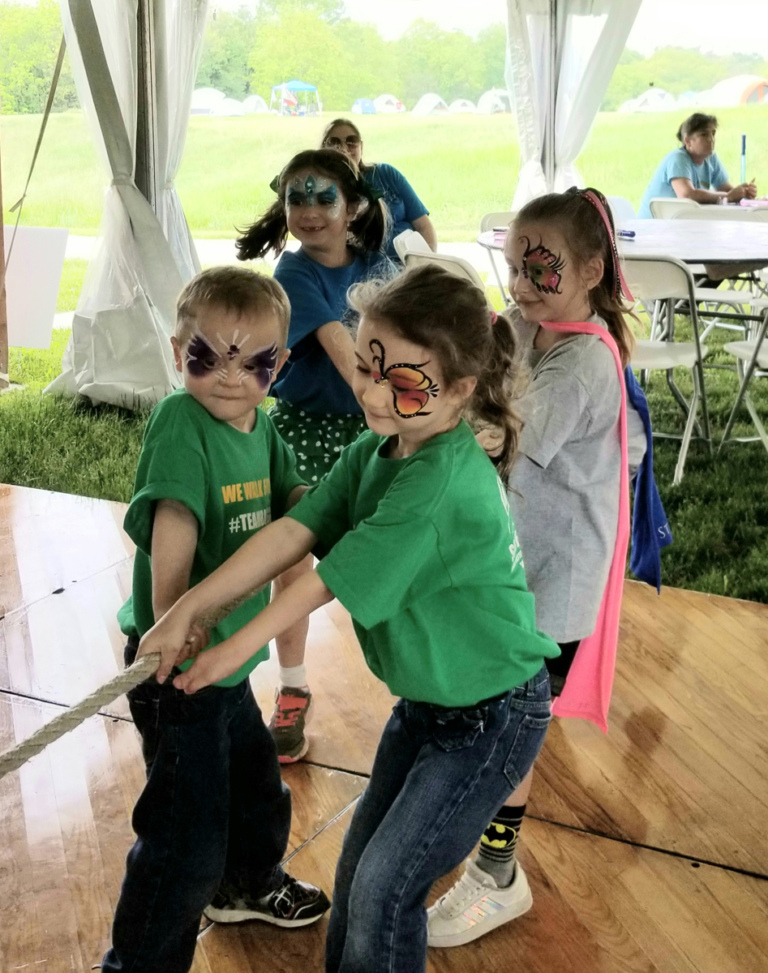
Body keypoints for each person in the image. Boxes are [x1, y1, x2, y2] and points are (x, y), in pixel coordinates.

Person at [136, 264, 561, 973]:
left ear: (460, 390)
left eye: (402, 384)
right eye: (366, 366)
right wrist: (187, 609)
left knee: (386, 889)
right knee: (363, 872)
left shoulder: (437, 484)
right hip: (430, 707)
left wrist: (220, 652)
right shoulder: (380, 447)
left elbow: (321, 582)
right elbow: (295, 530)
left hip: (490, 718)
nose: (370, 391)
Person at [427, 187, 650, 948]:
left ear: (591, 270)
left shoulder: (584, 361)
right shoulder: (526, 327)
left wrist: (421, 419)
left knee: (510, 731)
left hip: (556, 589)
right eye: (514, 264)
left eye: (541, 267)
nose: (521, 282)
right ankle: (465, 841)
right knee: (489, 714)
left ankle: (497, 874)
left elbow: (504, 436)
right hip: (516, 569)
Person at [103, 267, 330, 973]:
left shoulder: (260, 426)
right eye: (208, 356)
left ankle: (245, 882)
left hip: (224, 663)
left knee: (256, 783)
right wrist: (171, 621)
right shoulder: (182, 421)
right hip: (176, 662)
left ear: (280, 366)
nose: (229, 378)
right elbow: (173, 522)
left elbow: (293, 493)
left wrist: (331, 507)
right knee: (184, 837)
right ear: (178, 353)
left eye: (254, 361)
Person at [236, 148, 390, 763]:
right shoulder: (295, 274)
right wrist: (402, 405)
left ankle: (425, 692)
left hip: (375, 429)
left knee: (390, 558)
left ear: (352, 207)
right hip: (309, 429)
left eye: (324, 196)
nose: (309, 210)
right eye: (296, 197)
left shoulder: (383, 262)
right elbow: (348, 357)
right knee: (293, 565)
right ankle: (293, 689)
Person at [320, 117, 438, 259]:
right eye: (335, 142)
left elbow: (423, 225)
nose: (344, 148)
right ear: (323, 149)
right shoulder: (323, 190)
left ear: (361, 147)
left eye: (351, 141)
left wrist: (429, 263)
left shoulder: (386, 173)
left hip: (412, 264)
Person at [638, 112, 757, 219]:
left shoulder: (711, 159)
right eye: (704, 134)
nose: (711, 139)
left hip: (679, 224)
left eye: (713, 133)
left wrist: (744, 193)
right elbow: (687, 195)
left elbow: (727, 190)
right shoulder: (678, 158)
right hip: (654, 228)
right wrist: (728, 197)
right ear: (688, 141)